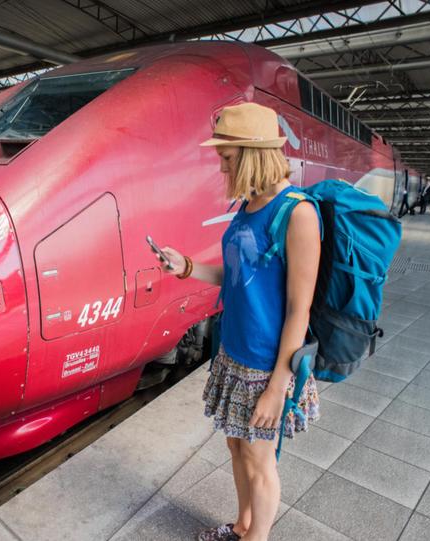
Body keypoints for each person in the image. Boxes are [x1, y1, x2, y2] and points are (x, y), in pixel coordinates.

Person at [156, 103, 321, 541]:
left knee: (260, 461)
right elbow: (236, 276)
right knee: (236, 445)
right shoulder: (249, 204)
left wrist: (277, 386)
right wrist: (186, 266)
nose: (221, 165)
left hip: (267, 363)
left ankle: (256, 537)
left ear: (252, 153)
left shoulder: (297, 213)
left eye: (227, 158)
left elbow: (298, 310)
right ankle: (243, 525)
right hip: (234, 351)